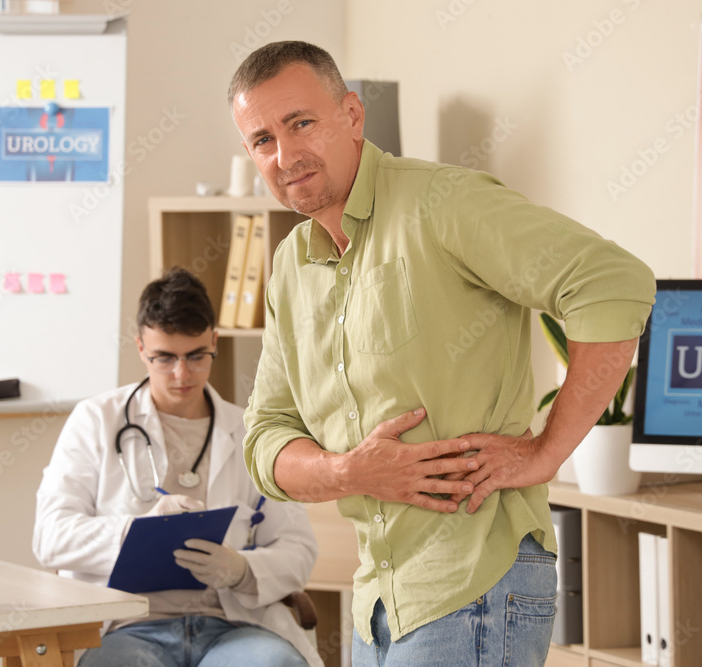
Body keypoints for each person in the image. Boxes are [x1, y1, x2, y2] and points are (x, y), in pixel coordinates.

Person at [232, 41, 656, 666]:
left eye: (301, 123)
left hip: (474, 582)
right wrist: (352, 473)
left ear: (352, 116)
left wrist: (545, 453)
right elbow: (267, 440)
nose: (285, 155)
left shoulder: (441, 204)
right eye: (262, 139)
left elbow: (613, 282)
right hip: (376, 600)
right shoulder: (292, 266)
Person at [33, 267, 321, 667]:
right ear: (140, 348)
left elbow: (299, 547)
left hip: (232, 626)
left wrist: (241, 570)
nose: (182, 374)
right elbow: (50, 537)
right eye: (164, 358)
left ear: (214, 342)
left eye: (196, 356)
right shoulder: (96, 420)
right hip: (128, 627)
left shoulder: (250, 431)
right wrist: (134, 531)